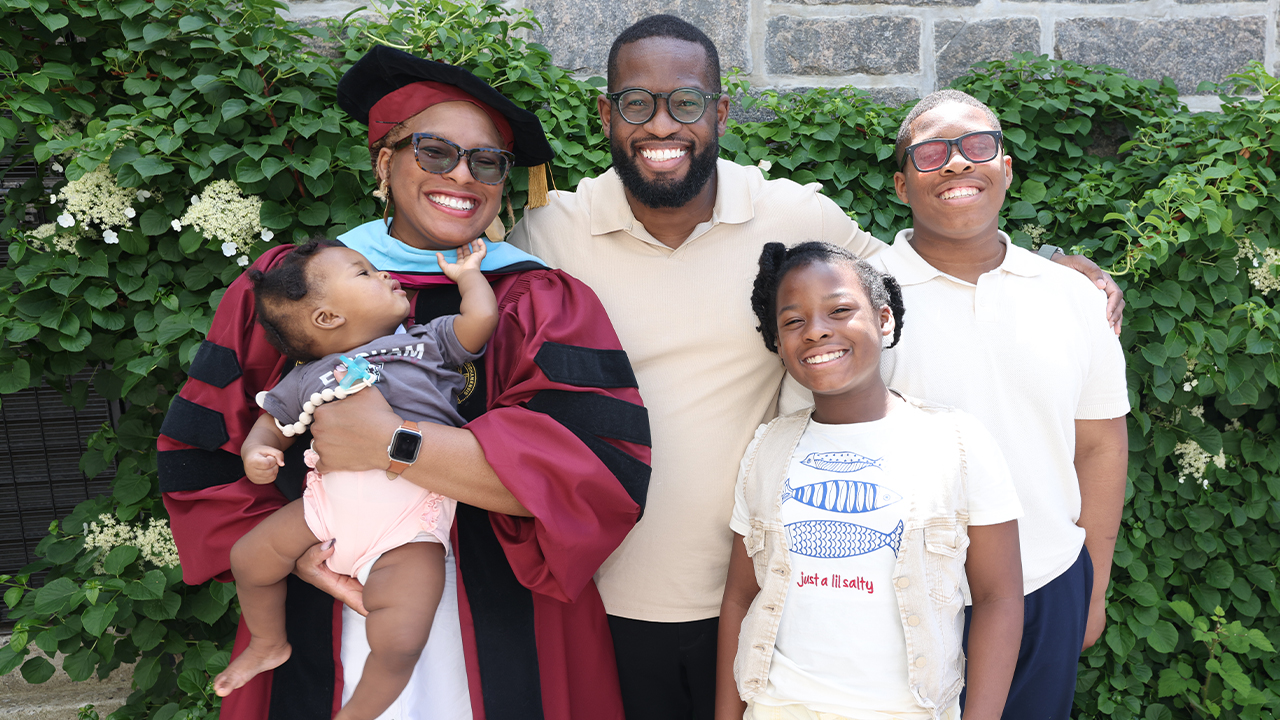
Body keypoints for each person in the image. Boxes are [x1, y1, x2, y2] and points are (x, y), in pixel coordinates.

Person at [508, 14, 1123, 719]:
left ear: (720, 111)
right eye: (636, 104)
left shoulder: (789, 214)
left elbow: (900, 273)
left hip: (769, 598)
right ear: (607, 113)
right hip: (603, 596)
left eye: (685, 103)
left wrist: (1054, 270)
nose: (661, 126)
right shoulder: (550, 235)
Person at [158, 45, 650, 720]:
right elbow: (205, 446)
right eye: (436, 151)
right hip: (320, 604)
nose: (463, 175)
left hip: (506, 619)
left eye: (487, 161)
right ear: (383, 162)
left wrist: (392, 443)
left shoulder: (539, 300)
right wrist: (298, 555)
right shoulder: (292, 288)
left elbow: (595, 474)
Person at [813, 89, 1128, 719]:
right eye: (931, 153)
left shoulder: (1071, 296)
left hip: (1047, 582)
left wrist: (1092, 586)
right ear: (902, 185)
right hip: (902, 598)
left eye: (977, 146)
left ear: (1005, 170)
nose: (957, 163)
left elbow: (1098, 442)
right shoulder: (858, 301)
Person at [715, 241, 1025, 720]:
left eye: (839, 310)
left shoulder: (957, 443)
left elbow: (998, 597)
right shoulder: (767, 449)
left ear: (884, 320)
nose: (816, 331)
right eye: (793, 321)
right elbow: (740, 595)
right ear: (778, 343)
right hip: (778, 707)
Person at [212, 240, 495, 719]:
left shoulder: (423, 342)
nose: (384, 273)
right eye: (364, 273)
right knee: (249, 558)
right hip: (325, 510)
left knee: (401, 639)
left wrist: (467, 275)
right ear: (326, 318)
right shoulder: (309, 375)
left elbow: (480, 321)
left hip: (411, 521)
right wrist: (255, 451)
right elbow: (274, 422)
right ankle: (267, 642)